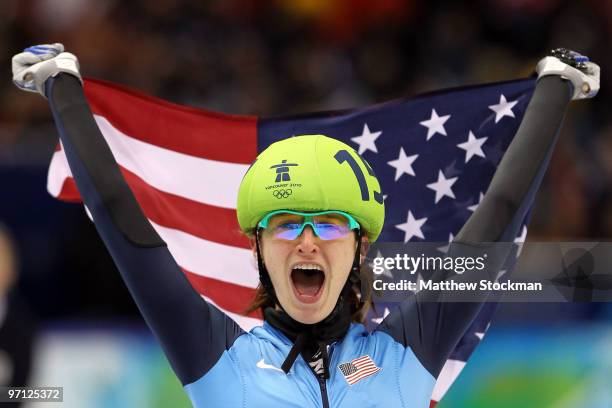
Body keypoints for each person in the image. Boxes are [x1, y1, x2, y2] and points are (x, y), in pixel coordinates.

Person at [11, 44, 599, 407]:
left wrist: (554, 85)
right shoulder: (217, 356)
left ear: (361, 246)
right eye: (287, 225)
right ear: (259, 247)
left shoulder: (405, 352)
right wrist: (61, 83)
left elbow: (493, 222)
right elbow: (125, 227)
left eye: (331, 225)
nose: (309, 241)